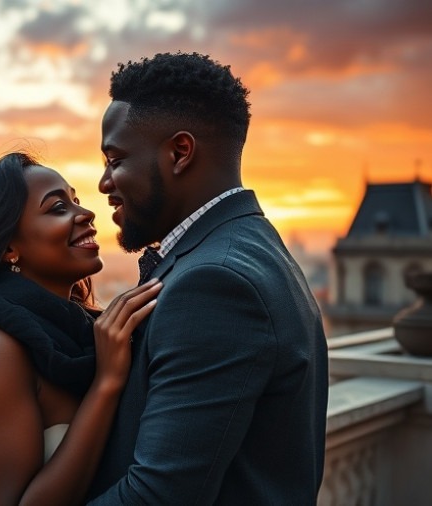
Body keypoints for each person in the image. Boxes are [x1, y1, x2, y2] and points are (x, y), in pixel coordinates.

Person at [87, 52, 329, 504]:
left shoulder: (215, 283)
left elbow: (155, 496)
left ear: (180, 152)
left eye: (115, 159)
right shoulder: (252, 247)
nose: (104, 183)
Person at [0, 152, 162, 506]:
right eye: (58, 207)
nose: (85, 214)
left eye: (76, 200)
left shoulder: (80, 332)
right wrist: (106, 383)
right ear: (9, 247)